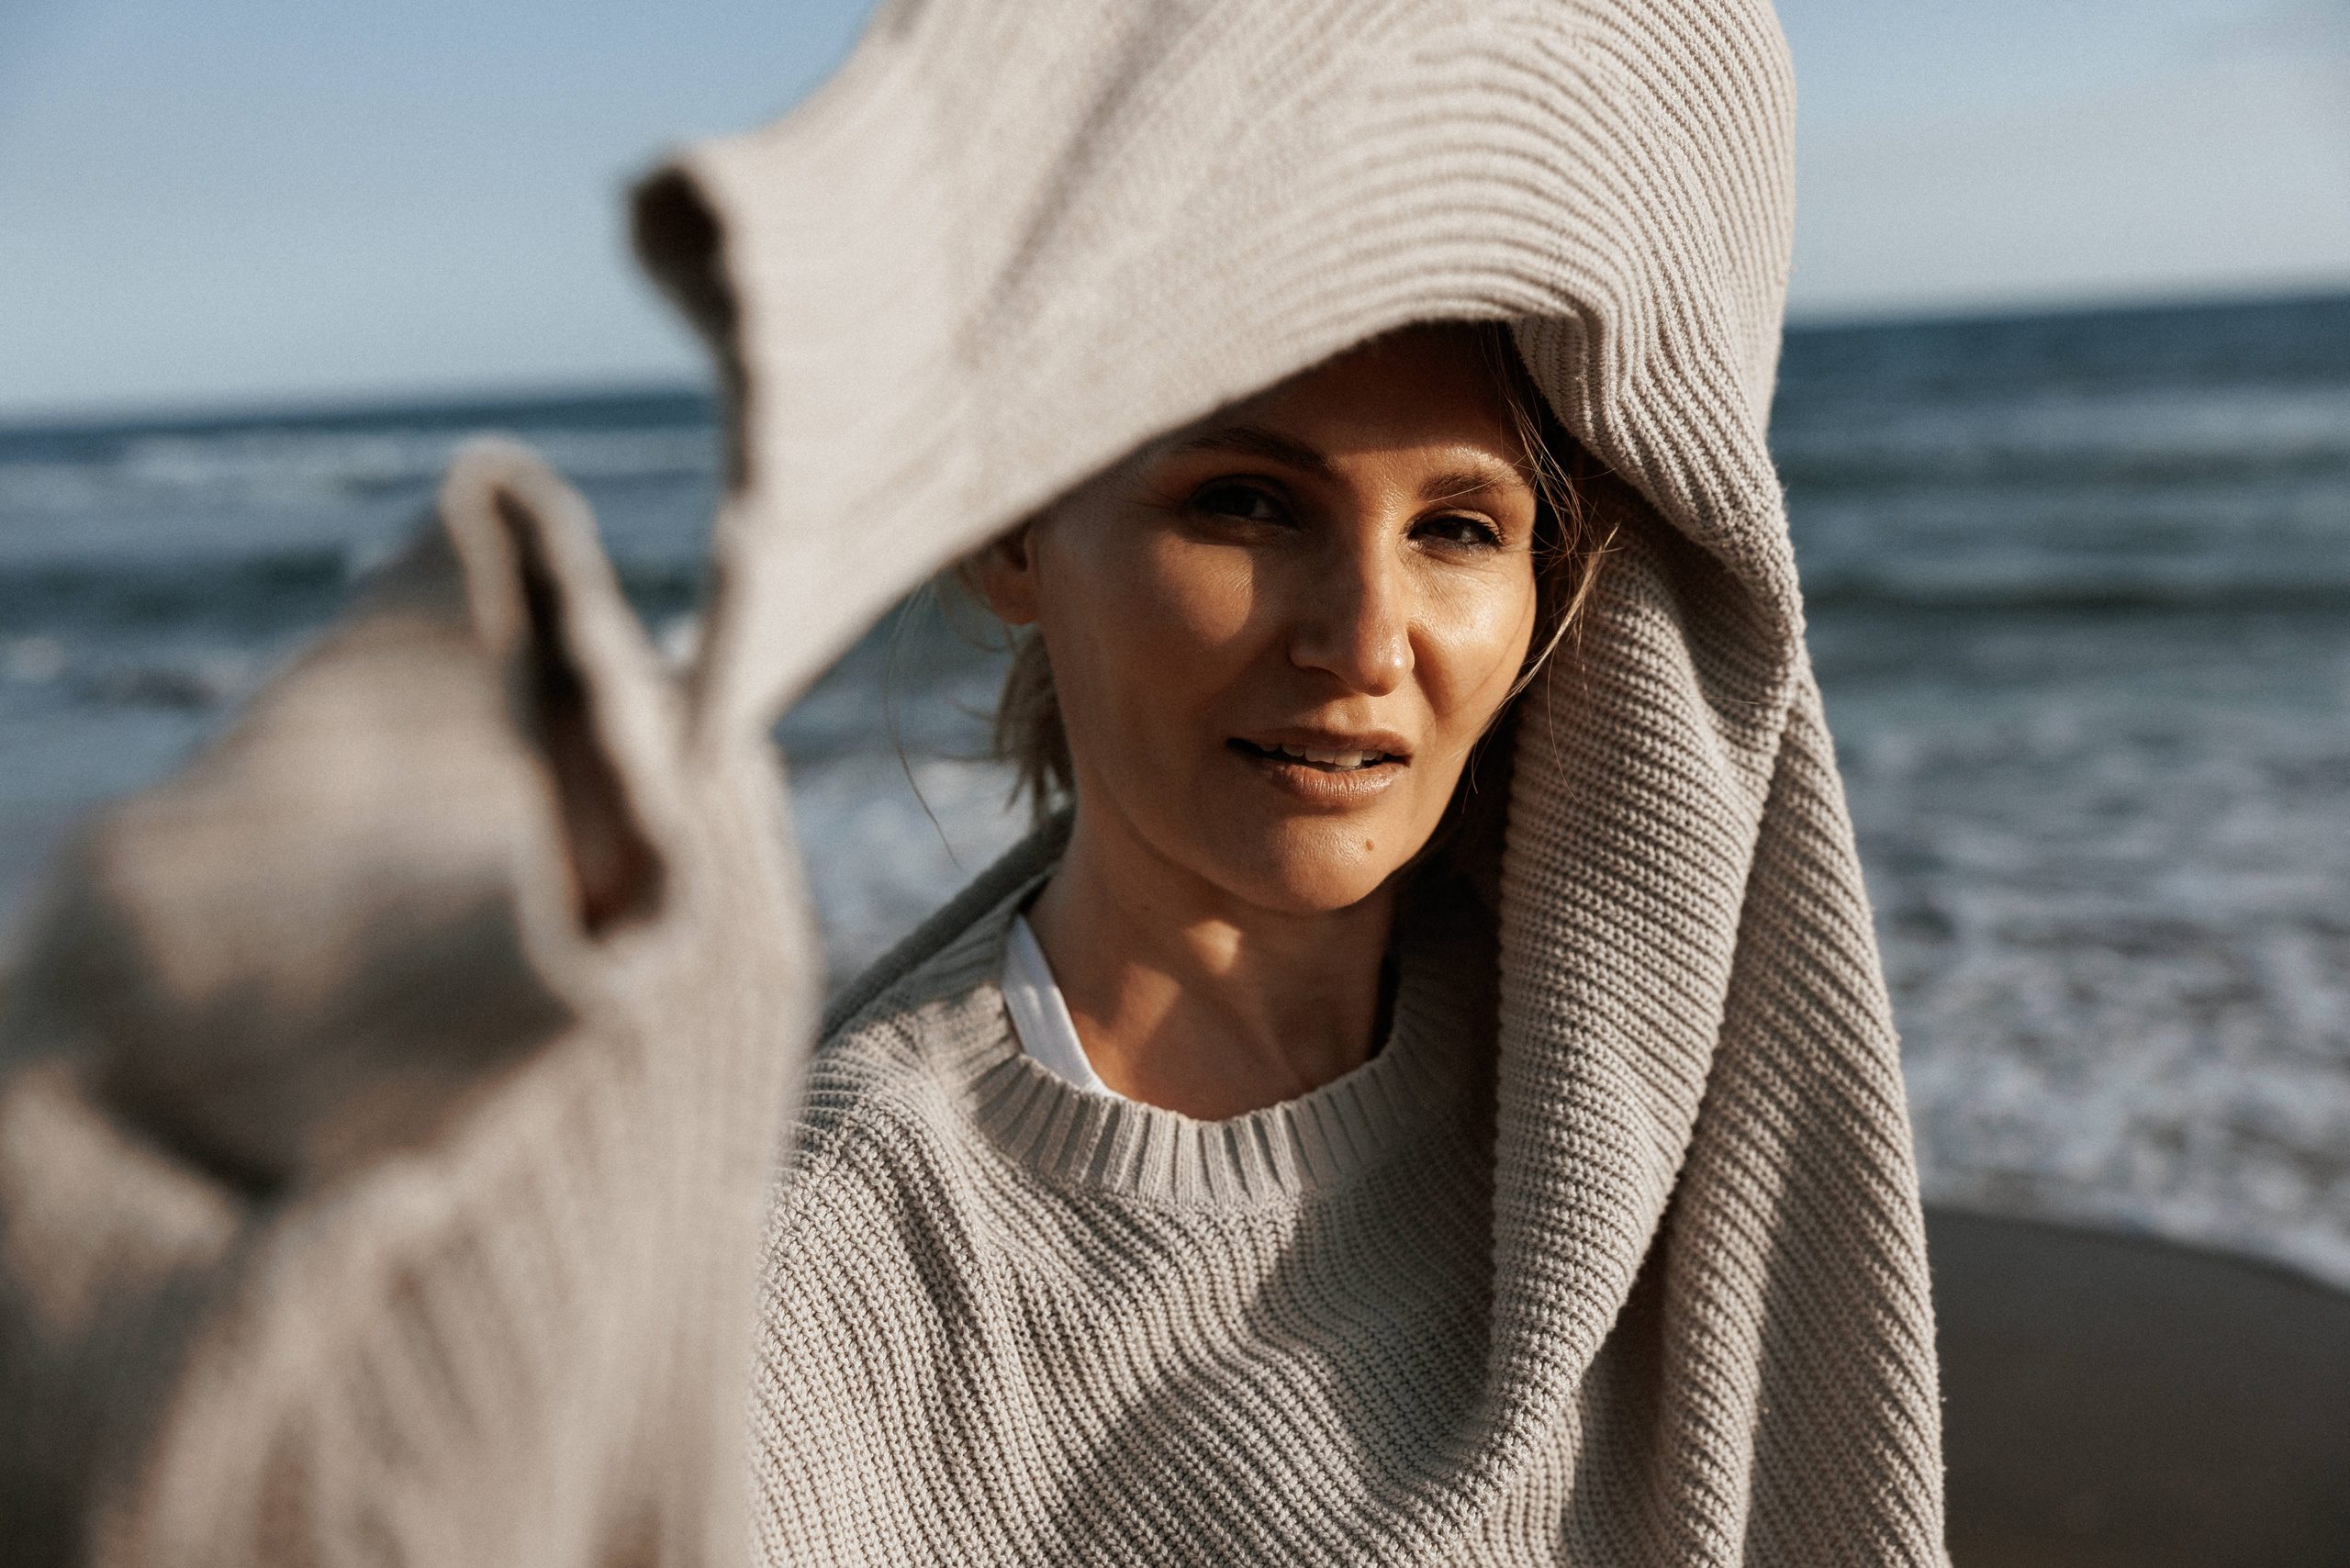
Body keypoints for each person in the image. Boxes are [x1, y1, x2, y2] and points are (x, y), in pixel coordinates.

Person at [0, 0, 1946, 1562]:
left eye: (1457, 526)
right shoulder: (846, 1261)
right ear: (1010, 533)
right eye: (1242, 501)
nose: (1363, 634)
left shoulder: (1625, 1059)